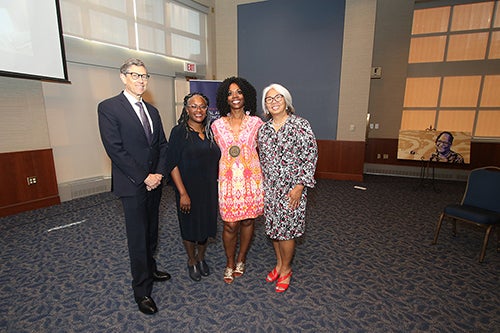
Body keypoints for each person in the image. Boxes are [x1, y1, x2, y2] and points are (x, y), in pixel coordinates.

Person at [97, 58, 170, 315]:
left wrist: (159, 173)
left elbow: (162, 145)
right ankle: (142, 291)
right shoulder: (108, 108)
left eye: (145, 76)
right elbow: (115, 149)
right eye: (135, 75)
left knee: (151, 233)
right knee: (138, 238)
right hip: (133, 185)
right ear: (123, 77)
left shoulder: (152, 111)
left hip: (155, 183)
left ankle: (150, 269)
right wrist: (144, 177)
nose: (141, 80)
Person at [257, 83, 318, 293]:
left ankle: (286, 269)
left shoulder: (300, 125)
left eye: (278, 98)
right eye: (269, 99)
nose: (273, 102)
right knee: (274, 230)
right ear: (265, 105)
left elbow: (310, 157)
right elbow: (262, 160)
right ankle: (278, 264)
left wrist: (300, 185)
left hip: (292, 189)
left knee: (287, 232)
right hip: (270, 189)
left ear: (286, 101)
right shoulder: (263, 130)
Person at [211, 77, 264, 284]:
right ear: (225, 98)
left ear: (246, 96)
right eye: (230, 93)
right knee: (230, 224)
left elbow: (265, 152)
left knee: (249, 220)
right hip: (228, 181)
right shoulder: (216, 126)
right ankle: (230, 262)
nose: (235, 96)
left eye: (239, 92)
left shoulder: (257, 124)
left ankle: (241, 259)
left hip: (252, 180)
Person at [166, 92, 221, 282]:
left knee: (205, 226)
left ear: (207, 109)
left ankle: (201, 257)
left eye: (203, 106)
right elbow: (172, 163)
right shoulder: (179, 132)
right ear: (186, 109)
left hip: (209, 190)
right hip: (187, 189)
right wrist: (182, 193)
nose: (199, 110)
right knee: (189, 227)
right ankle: (191, 260)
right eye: (194, 106)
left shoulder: (211, 131)